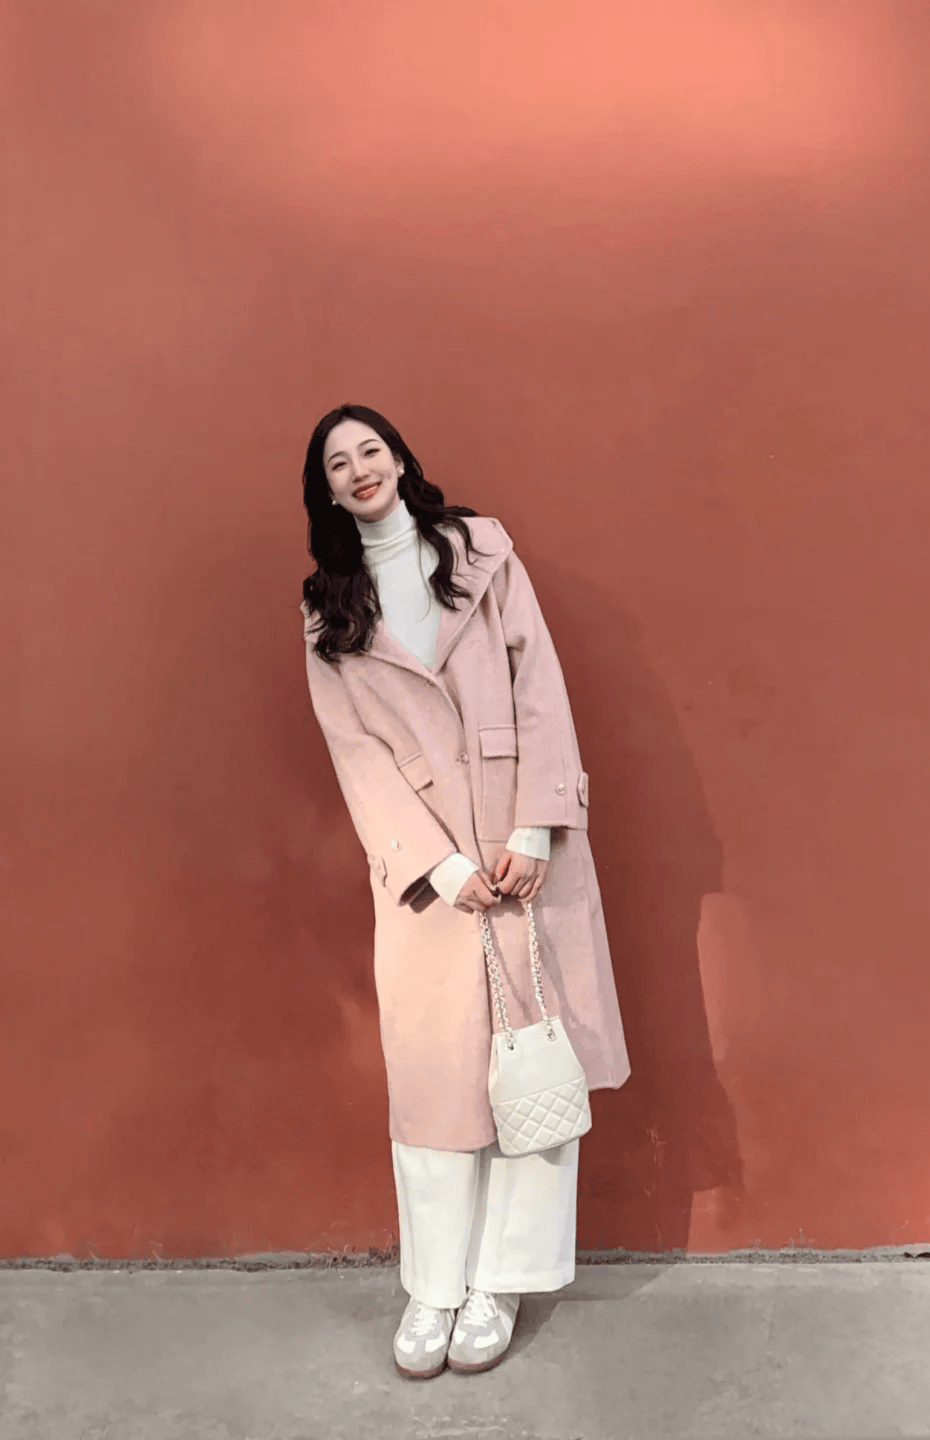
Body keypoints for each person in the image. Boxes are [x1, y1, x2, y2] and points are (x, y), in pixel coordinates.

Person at [299, 404, 630, 1379]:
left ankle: (503, 1282)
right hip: (429, 879)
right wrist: (436, 864)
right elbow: (355, 752)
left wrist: (537, 825)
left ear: (402, 459)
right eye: (337, 463)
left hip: (521, 850)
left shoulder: (482, 554)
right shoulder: (328, 607)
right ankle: (434, 1286)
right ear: (326, 491)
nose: (359, 468)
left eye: (371, 449)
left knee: (534, 1071)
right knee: (436, 1084)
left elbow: (541, 689)